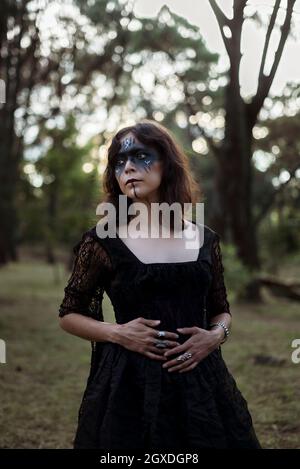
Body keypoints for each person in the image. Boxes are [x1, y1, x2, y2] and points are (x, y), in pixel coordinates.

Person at [58, 120, 262, 449]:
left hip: (200, 382)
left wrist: (214, 336)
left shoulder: (204, 238)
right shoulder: (103, 241)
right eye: (119, 162)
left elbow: (221, 310)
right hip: (128, 386)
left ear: (167, 163)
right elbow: (69, 314)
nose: (128, 168)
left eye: (140, 156)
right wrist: (117, 332)